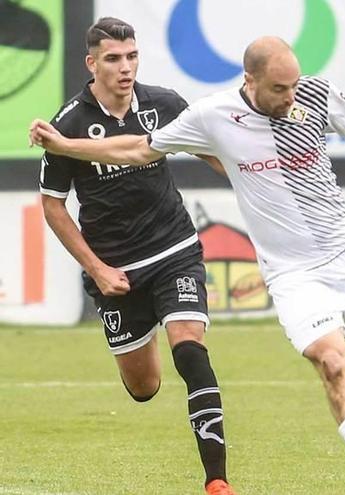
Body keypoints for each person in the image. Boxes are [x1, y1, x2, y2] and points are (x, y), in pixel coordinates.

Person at [31, 35, 345, 495]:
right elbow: (136, 148)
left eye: (293, 86)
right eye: (279, 90)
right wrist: (67, 147)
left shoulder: (317, 93)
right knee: (331, 364)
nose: (291, 98)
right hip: (291, 273)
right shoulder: (212, 116)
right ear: (251, 81)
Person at [36, 18, 236, 495]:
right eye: (112, 59)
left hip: (174, 249)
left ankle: (217, 481)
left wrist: (259, 177)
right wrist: (97, 269)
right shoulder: (69, 124)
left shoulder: (164, 105)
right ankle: (143, 335)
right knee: (144, 387)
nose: (125, 68)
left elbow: (216, 156)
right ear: (91, 64)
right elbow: (52, 204)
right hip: (116, 270)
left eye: (131, 57)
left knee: (189, 350)